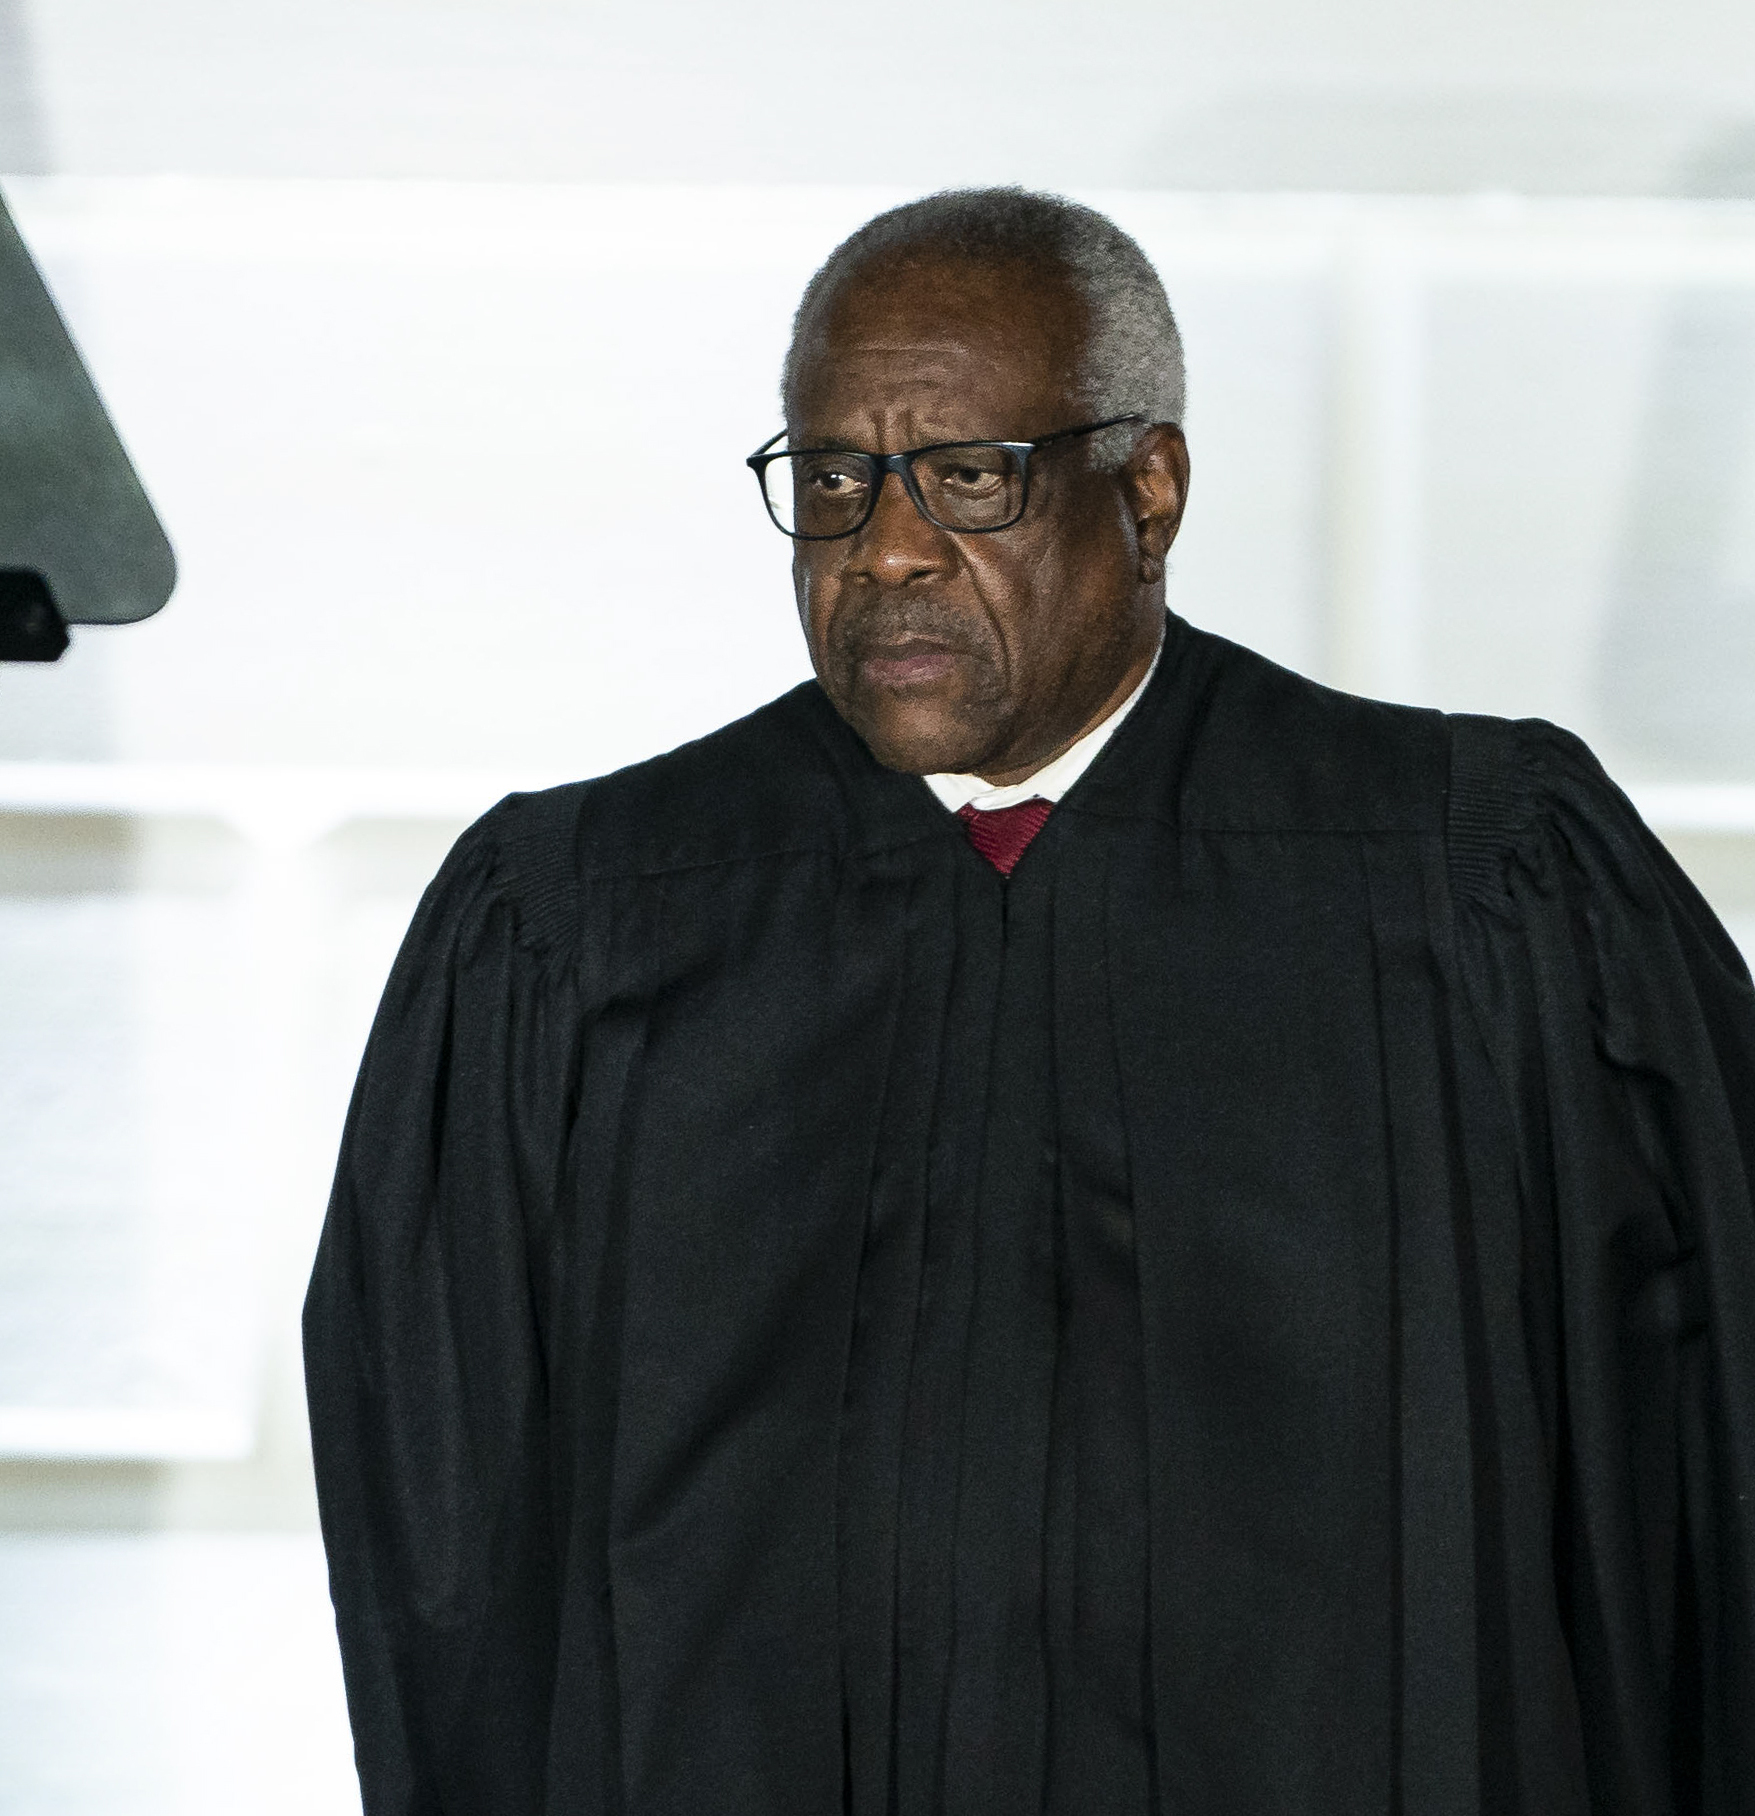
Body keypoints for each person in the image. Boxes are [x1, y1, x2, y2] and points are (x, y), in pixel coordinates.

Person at [302, 188, 1755, 1816]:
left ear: (1148, 488)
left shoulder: (1472, 882)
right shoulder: (576, 926)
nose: (887, 550)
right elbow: (445, 1553)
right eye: (836, 482)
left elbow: (1700, 1443)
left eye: (968, 478)